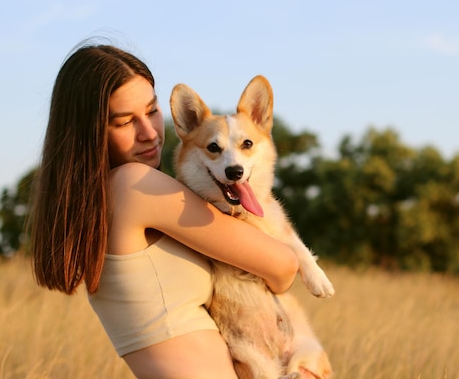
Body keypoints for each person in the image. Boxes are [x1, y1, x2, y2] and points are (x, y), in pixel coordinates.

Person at [29, 42, 299, 379]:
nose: (150, 133)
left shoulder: (98, 205)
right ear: (91, 133)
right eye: (126, 122)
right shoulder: (135, 185)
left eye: (153, 110)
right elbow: (284, 266)